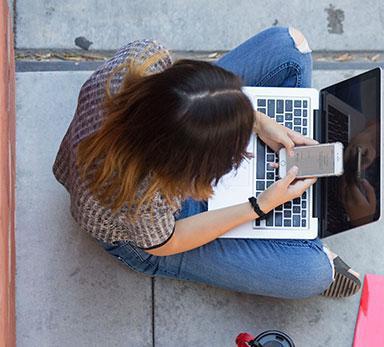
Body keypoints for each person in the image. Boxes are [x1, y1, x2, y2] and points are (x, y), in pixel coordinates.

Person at [52, 27, 361, 299]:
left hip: (175, 125)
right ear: (190, 173)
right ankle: (290, 230)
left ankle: (288, 226)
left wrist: (254, 119)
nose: (238, 154)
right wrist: (259, 205)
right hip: (155, 237)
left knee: (289, 46)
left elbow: (180, 100)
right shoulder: (136, 197)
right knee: (313, 274)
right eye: (229, 156)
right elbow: (166, 242)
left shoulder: (144, 58)